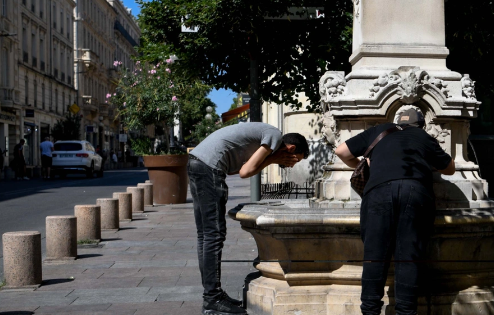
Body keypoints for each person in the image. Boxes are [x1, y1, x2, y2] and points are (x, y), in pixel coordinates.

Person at [335, 107, 455, 315]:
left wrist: (366, 165)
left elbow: (341, 151)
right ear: (420, 125)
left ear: (397, 121)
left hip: (378, 191)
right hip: (415, 191)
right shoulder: (423, 136)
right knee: (408, 256)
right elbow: (450, 168)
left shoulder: (379, 130)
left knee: (374, 255)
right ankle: (406, 312)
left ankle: (370, 311)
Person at [188, 122, 310, 315]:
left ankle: (212, 295)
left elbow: (238, 169)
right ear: (291, 148)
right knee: (213, 235)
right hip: (208, 167)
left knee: (206, 235)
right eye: (294, 160)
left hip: (198, 162)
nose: (290, 164)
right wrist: (272, 159)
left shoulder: (266, 140)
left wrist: (269, 159)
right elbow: (245, 173)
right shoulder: (274, 135)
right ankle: (212, 299)